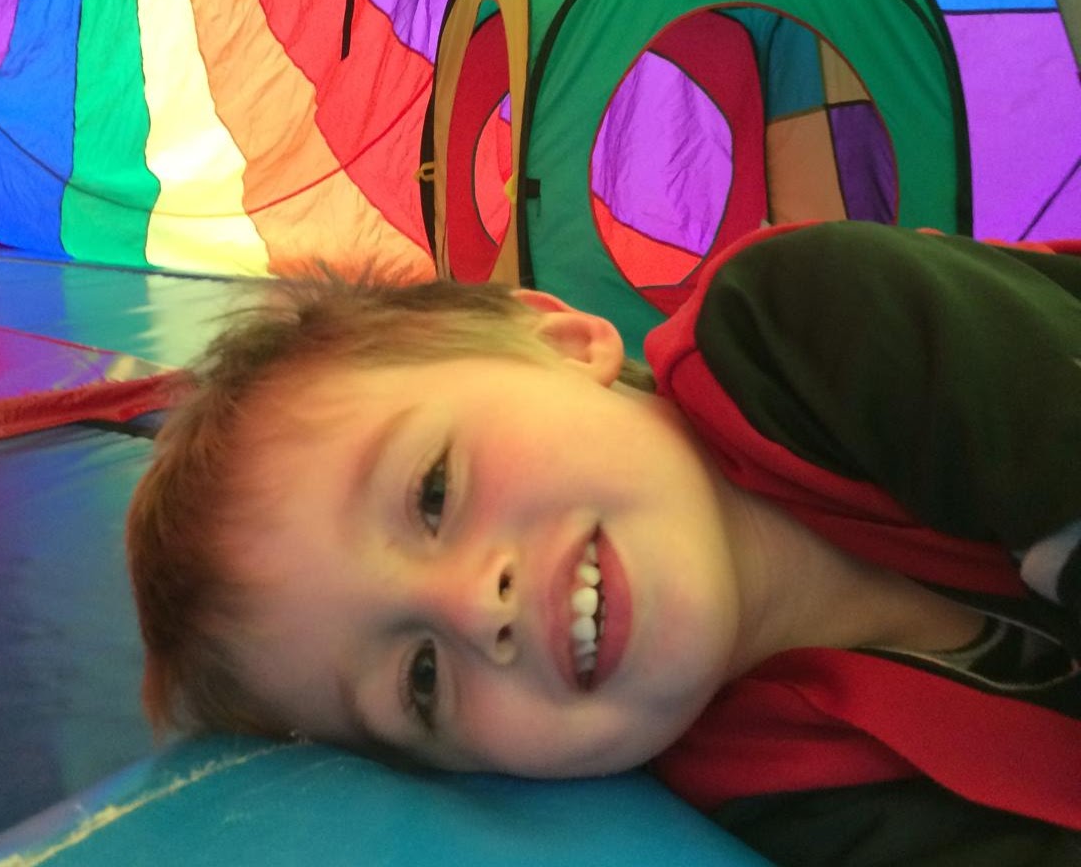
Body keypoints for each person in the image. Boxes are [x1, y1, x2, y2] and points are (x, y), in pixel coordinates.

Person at [126, 220, 1081, 865]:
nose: (473, 608)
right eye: (419, 679)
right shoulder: (773, 788)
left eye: (433, 490)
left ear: (558, 340)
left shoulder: (798, 320)